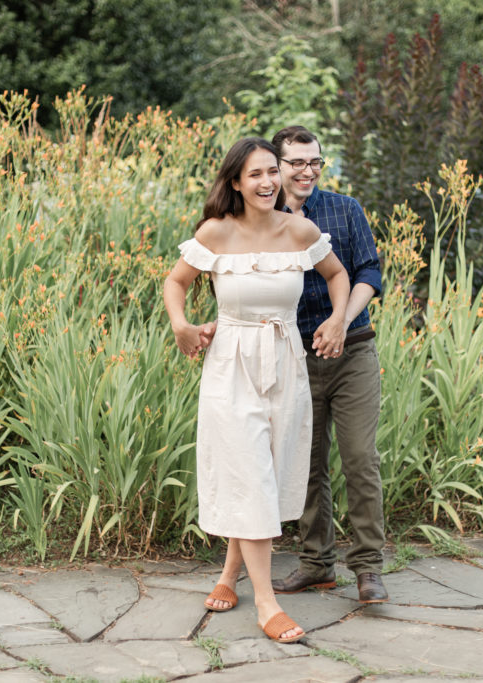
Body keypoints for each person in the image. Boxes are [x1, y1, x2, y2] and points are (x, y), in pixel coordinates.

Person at [163, 137, 351, 643]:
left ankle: (229, 572)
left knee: (264, 474)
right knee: (249, 472)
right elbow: (175, 282)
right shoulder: (216, 233)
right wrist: (182, 326)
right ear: (235, 183)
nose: (268, 182)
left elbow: (338, 275)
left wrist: (336, 320)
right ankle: (267, 604)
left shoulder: (300, 230)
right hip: (231, 366)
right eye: (255, 175)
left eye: (273, 171)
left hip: (286, 362)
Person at [269, 125, 388, 604]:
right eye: (296, 162)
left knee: (360, 458)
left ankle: (368, 568)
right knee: (307, 463)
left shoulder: (344, 208)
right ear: (276, 166)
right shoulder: (262, 219)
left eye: (314, 161)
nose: (307, 171)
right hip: (294, 355)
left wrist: (341, 320)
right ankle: (316, 563)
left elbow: (369, 271)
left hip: (351, 349)